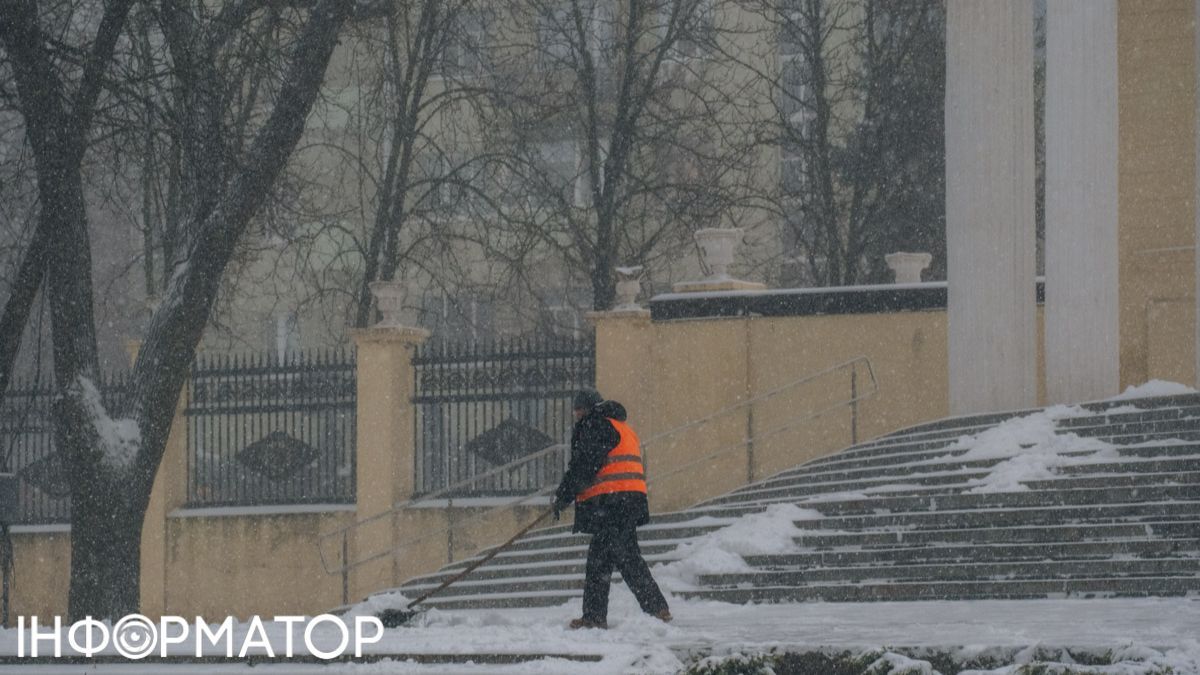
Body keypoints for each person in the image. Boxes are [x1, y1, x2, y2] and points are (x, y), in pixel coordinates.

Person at [553, 388, 671, 630]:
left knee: (619, 559)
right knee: (607, 559)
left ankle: (653, 609)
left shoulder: (594, 425)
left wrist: (563, 496)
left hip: (612, 502)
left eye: (578, 409)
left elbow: (584, 465)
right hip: (627, 500)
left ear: (587, 409)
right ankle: (600, 616)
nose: (576, 414)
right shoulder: (619, 426)